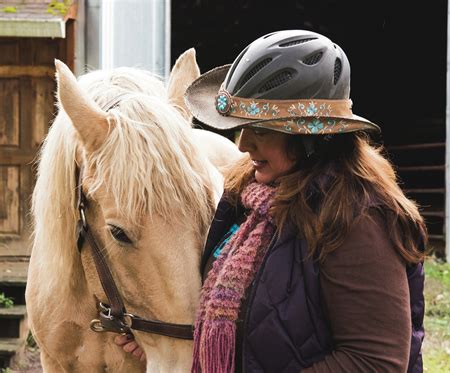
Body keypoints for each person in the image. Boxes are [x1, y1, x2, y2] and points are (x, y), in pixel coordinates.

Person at [118, 30, 426, 372]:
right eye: (240, 127)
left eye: (261, 130)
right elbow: (251, 323)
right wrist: (165, 340)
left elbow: (375, 362)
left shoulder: (356, 219)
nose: (242, 144)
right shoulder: (248, 202)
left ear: (312, 137)